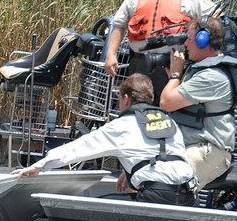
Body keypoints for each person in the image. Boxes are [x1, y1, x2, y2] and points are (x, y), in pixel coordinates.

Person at [14, 73, 195, 205]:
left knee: (91, 209)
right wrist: (132, 169)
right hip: (187, 195)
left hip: (156, 196)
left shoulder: (122, 125)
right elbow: (163, 155)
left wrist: (40, 165)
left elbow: (80, 147)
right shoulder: (168, 121)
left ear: (125, 99)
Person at [104, 0, 215, 92]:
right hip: (139, 63)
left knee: (168, 109)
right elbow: (119, 25)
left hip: (172, 63)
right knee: (137, 105)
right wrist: (110, 55)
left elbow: (214, 20)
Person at [159, 17, 237, 189]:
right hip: (188, 145)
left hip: (209, 151)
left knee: (165, 185)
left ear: (202, 40)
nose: (186, 44)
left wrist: (175, 75)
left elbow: (166, 102)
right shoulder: (201, 69)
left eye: (189, 39)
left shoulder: (212, 77)